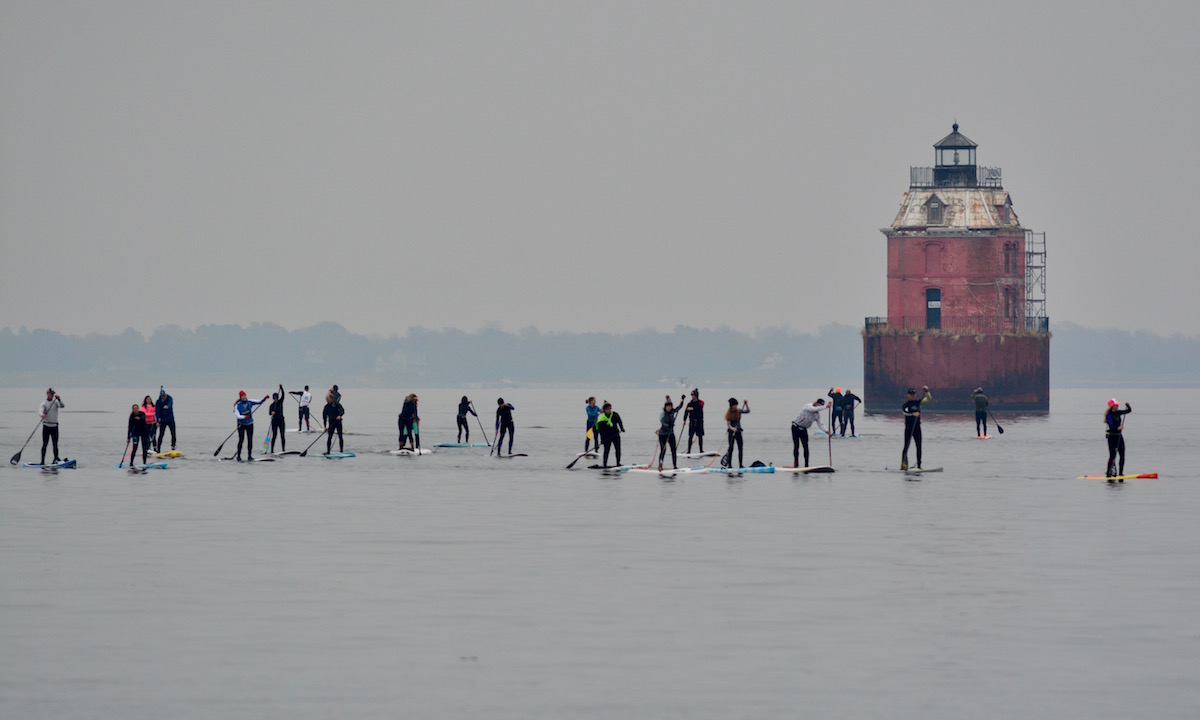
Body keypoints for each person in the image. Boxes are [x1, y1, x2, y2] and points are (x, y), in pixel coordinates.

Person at [901, 386, 932, 471]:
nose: (912, 395)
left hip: (917, 427)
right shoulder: (905, 405)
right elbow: (905, 412)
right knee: (906, 446)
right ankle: (903, 465)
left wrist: (927, 391)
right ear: (908, 395)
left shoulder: (919, 402)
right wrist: (912, 414)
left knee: (919, 446)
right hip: (909, 428)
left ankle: (919, 465)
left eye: (913, 394)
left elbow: (929, 398)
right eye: (911, 394)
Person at [791, 398, 828, 468]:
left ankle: (806, 464)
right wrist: (826, 407)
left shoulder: (817, 415)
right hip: (795, 427)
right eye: (819, 406)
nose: (819, 409)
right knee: (796, 445)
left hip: (804, 429)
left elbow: (820, 424)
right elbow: (813, 409)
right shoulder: (808, 406)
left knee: (806, 446)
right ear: (816, 404)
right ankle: (796, 463)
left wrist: (827, 431)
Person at [234, 390, 268, 461]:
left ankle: (249, 456)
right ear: (240, 397)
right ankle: (239, 456)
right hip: (241, 425)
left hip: (249, 424)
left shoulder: (249, 402)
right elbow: (237, 415)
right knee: (241, 440)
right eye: (242, 396)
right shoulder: (238, 405)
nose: (244, 397)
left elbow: (259, 401)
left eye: (245, 395)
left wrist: (264, 398)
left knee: (250, 440)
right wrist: (244, 417)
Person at [1104, 398, 1133, 479]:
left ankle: (1121, 473)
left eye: (1118, 405)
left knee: (1122, 454)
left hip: (1119, 437)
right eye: (1116, 405)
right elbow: (1112, 426)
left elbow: (1128, 411)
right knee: (1112, 455)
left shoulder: (1118, 412)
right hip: (1112, 437)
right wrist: (1118, 428)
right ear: (1112, 406)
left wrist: (1128, 406)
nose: (1117, 406)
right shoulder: (1109, 415)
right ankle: (1108, 474)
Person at [722, 397, 751, 468]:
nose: (736, 406)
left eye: (736, 405)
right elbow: (728, 425)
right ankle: (730, 465)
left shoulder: (738, 411)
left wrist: (746, 404)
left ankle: (740, 465)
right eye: (735, 405)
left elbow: (748, 411)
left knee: (740, 448)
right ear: (731, 406)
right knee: (731, 449)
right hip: (731, 433)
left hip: (738, 432)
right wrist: (732, 428)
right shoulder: (728, 414)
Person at [38, 388, 64, 465]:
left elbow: (62, 406)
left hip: (54, 426)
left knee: (55, 444)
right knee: (45, 444)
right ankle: (42, 461)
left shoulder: (55, 402)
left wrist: (59, 399)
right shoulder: (43, 403)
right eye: (51, 393)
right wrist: (42, 414)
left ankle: (55, 459)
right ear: (47, 394)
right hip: (46, 426)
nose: (52, 395)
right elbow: (40, 411)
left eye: (53, 393)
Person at [595, 401, 625, 466]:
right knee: (606, 450)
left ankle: (618, 463)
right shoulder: (602, 419)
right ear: (604, 410)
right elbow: (601, 431)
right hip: (607, 437)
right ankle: (605, 464)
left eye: (610, 408)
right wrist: (602, 439)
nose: (609, 410)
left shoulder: (615, 415)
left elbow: (619, 422)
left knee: (618, 449)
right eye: (607, 409)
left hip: (615, 435)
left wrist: (622, 428)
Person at [657, 397, 679, 471]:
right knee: (663, 449)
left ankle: (675, 466)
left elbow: (679, 408)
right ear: (665, 407)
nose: (669, 408)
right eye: (668, 406)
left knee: (673, 450)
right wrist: (669, 425)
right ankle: (660, 465)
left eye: (670, 406)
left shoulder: (673, 412)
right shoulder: (663, 414)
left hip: (671, 434)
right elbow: (662, 422)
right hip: (663, 435)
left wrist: (682, 400)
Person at [683, 388, 705, 453]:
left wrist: (692, 408)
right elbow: (686, 412)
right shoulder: (689, 403)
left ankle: (701, 450)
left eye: (693, 395)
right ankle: (689, 451)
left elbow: (699, 407)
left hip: (699, 422)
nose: (692, 396)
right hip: (692, 422)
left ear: (696, 395)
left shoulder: (701, 402)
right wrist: (684, 420)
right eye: (691, 395)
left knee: (700, 436)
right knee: (690, 437)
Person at [155, 387, 176, 451]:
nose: (163, 397)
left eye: (164, 396)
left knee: (173, 433)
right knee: (161, 434)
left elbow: (170, 403)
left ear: (165, 395)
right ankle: (158, 448)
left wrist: (167, 406)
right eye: (162, 396)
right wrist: (158, 420)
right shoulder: (158, 402)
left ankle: (173, 446)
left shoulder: (169, 398)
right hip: (162, 421)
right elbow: (157, 411)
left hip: (170, 420)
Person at [268, 384, 287, 453]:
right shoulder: (272, 405)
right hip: (274, 422)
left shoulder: (280, 402)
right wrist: (271, 413)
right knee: (274, 435)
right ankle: (272, 450)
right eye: (274, 398)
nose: (275, 399)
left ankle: (283, 449)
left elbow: (283, 395)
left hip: (281, 421)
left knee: (282, 435)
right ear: (273, 398)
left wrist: (281, 388)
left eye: (276, 398)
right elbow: (269, 413)